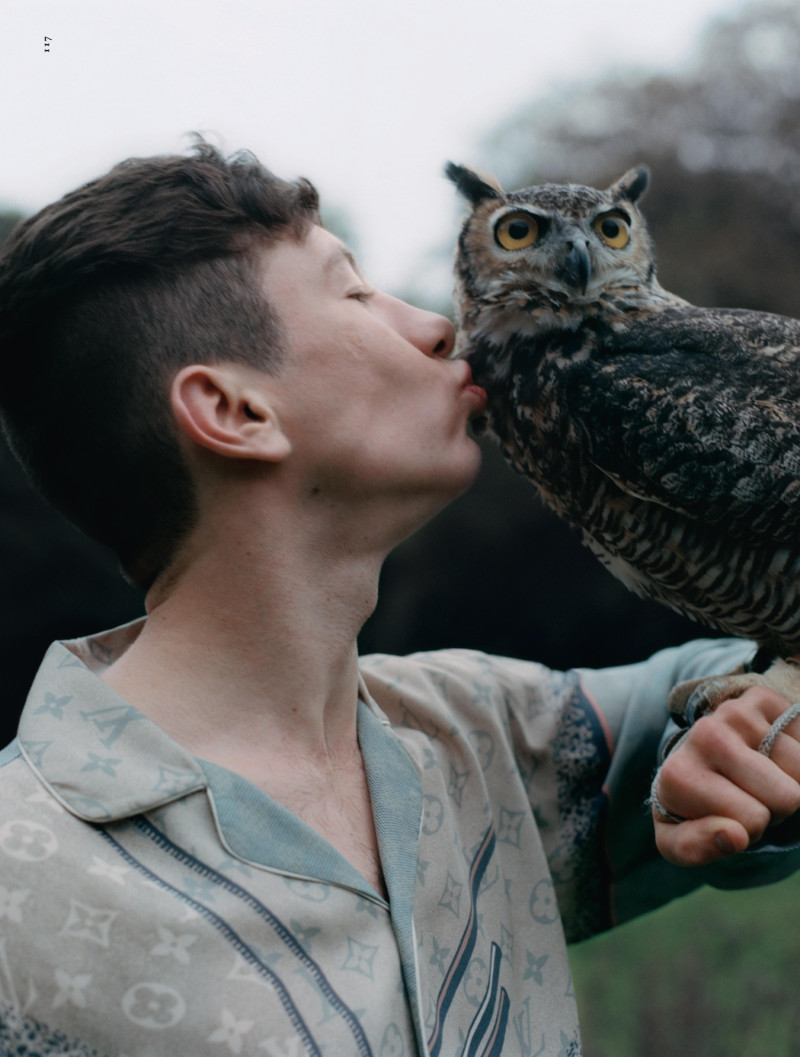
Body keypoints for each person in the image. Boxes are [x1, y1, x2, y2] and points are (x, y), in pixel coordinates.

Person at [0, 140, 798, 1057]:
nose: (432, 327)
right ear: (236, 411)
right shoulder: (20, 880)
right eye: (355, 294)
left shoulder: (482, 734)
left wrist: (757, 724)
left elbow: (723, 706)